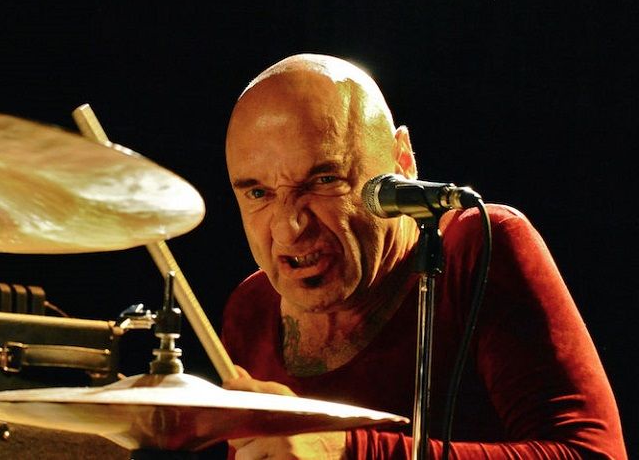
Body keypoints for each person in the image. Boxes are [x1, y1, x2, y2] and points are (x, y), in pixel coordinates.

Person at [219, 53, 626, 459]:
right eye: (258, 193)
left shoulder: (477, 248)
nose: (290, 227)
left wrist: (344, 450)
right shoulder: (250, 308)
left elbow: (593, 455)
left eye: (325, 179)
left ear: (402, 160)